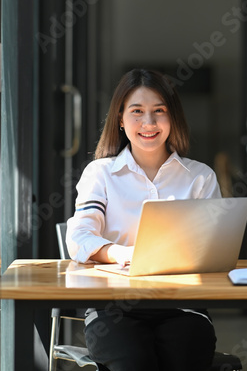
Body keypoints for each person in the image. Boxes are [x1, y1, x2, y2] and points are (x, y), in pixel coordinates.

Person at [66, 68, 221, 371]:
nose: (148, 123)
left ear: (172, 118)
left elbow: (214, 249)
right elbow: (80, 237)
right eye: (137, 112)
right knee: (134, 361)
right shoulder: (101, 174)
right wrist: (124, 254)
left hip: (183, 306)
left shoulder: (200, 177)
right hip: (113, 308)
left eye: (159, 112)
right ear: (120, 119)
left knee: (184, 355)